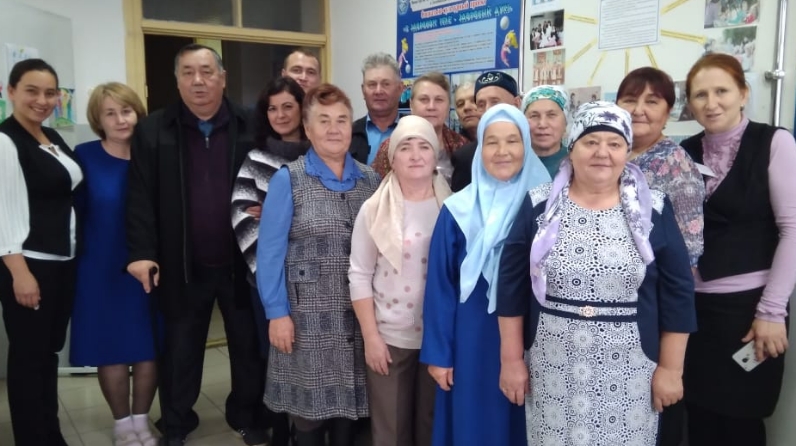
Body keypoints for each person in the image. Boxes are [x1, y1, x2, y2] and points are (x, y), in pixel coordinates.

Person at [497, 101, 697, 446]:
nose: (602, 152)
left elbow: (678, 293)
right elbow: (511, 288)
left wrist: (671, 369)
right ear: (572, 148)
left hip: (631, 367)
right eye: (591, 142)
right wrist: (511, 360)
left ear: (626, 152)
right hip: (553, 365)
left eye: (614, 144)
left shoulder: (653, 208)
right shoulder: (539, 205)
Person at [126, 43, 267, 446]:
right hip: (181, 264)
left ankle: (246, 414)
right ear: (177, 81)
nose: (198, 81)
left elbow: (276, 176)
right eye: (188, 72)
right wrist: (142, 253)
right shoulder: (154, 130)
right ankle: (176, 422)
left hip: (241, 263)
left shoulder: (250, 125)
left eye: (207, 71)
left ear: (223, 78)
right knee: (180, 350)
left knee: (246, 347)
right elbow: (140, 197)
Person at [680, 53, 796, 445]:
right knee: (698, 420)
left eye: (722, 91)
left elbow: (792, 229)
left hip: (751, 311)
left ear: (743, 93)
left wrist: (772, 311)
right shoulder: (685, 151)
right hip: (695, 313)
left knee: (741, 423)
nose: (711, 103)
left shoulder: (773, 142)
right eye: (700, 95)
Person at [256, 83, 380, 446]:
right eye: (323, 120)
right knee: (308, 416)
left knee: (348, 411)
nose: (334, 129)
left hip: (357, 318)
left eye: (341, 120)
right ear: (307, 129)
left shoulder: (370, 180)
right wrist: (276, 313)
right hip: (305, 320)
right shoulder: (288, 179)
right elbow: (269, 254)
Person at [420, 104, 550, 446]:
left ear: (526, 145)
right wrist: (439, 354)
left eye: (513, 140)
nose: (502, 151)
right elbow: (440, 287)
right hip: (473, 339)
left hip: (537, 337)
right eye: (492, 142)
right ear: (479, 149)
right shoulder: (457, 210)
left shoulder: (550, 207)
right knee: (477, 424)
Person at [615, 66, 705, 446]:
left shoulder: (675, 164)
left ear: (668, 112)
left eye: (652, 101)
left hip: (650, 309)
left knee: (652, 414)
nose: (639, 109)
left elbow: (687, 256)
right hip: (608, 306)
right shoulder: (610, 152)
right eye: (630, 100)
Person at [349, 115, 449, 446]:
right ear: (392, 158)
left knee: (431, 427)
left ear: (435, 155)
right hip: (390, 337)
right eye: (406, 147)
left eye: (424, 146)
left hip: (438, 339)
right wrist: (371, 338)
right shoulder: (374, 209)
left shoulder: (453, 206)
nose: (416, 155)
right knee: (391, 430)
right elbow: (359, 274)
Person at [68, 82, 158, 446]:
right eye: (110, 113)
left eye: (126, 110)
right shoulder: (83, 156)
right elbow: (70, 215)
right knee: (110, 347)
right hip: (99, 270)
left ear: (138, 113)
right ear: (98, 120)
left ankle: (142, 421)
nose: (121, 119)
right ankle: (122, 425)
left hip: (148, 268)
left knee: (149, 345)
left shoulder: (152, 156)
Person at [0, 58, 84, 446]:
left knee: (47, 354)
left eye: (50, 93)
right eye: (31, 91)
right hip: (30, 265)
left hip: (61, 262)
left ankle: (50, 433)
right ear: (10, 91)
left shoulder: (49, 135)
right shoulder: (5, 141)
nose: (42, 100)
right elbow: (3, 212)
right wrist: (20, 274)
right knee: (29, 359)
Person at [231, 75, 310, 446]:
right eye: (272, 108)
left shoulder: (319, 155)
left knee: (310, 356)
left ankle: (308, 427)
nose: (280, 115)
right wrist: (270, 273)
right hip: (267, 281)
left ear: (302, 109)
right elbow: (242, 217)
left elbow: (323, 213)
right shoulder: (256, 159)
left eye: (288, 106)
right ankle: (279, 428)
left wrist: (277, 215)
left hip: (314, 279)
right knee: (274, 356)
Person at [371, 72, 468, 183]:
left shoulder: (462, 146)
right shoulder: (390, 148)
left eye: (439, 100)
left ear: (448, 105)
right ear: (411, 105)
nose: (431, 107)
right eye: (424, 99)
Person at [450, 71, 521, 192]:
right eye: (481, 104)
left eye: (495, 102)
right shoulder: (466, 157)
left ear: (516, 103)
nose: (488, 110)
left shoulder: (536, 146)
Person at [349, 53, 404, 164]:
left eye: (386, 84)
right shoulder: (349, 133)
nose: (378, 91)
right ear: (363, 91)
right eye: (372, 84)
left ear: (400, 88)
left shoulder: (414, 130)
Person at [521, 85, 570, 177]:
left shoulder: (577, 164)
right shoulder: (512, 162)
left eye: (551, 115)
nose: (542, 124)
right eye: (534, 116)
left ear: (565, 122)